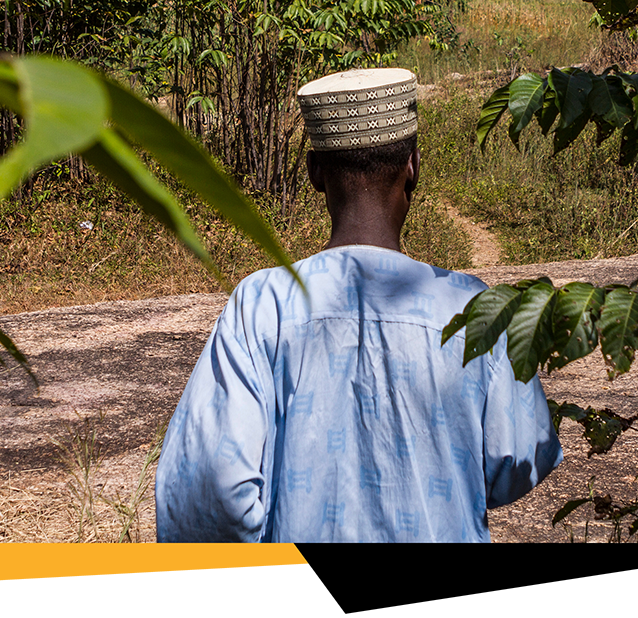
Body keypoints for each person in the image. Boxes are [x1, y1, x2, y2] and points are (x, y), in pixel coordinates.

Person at [154, 66, 562, 541]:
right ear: (412, 165)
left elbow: (207, 491)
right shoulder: (477, 309)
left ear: (313, 173)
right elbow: (516, 461)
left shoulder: (261, 306)